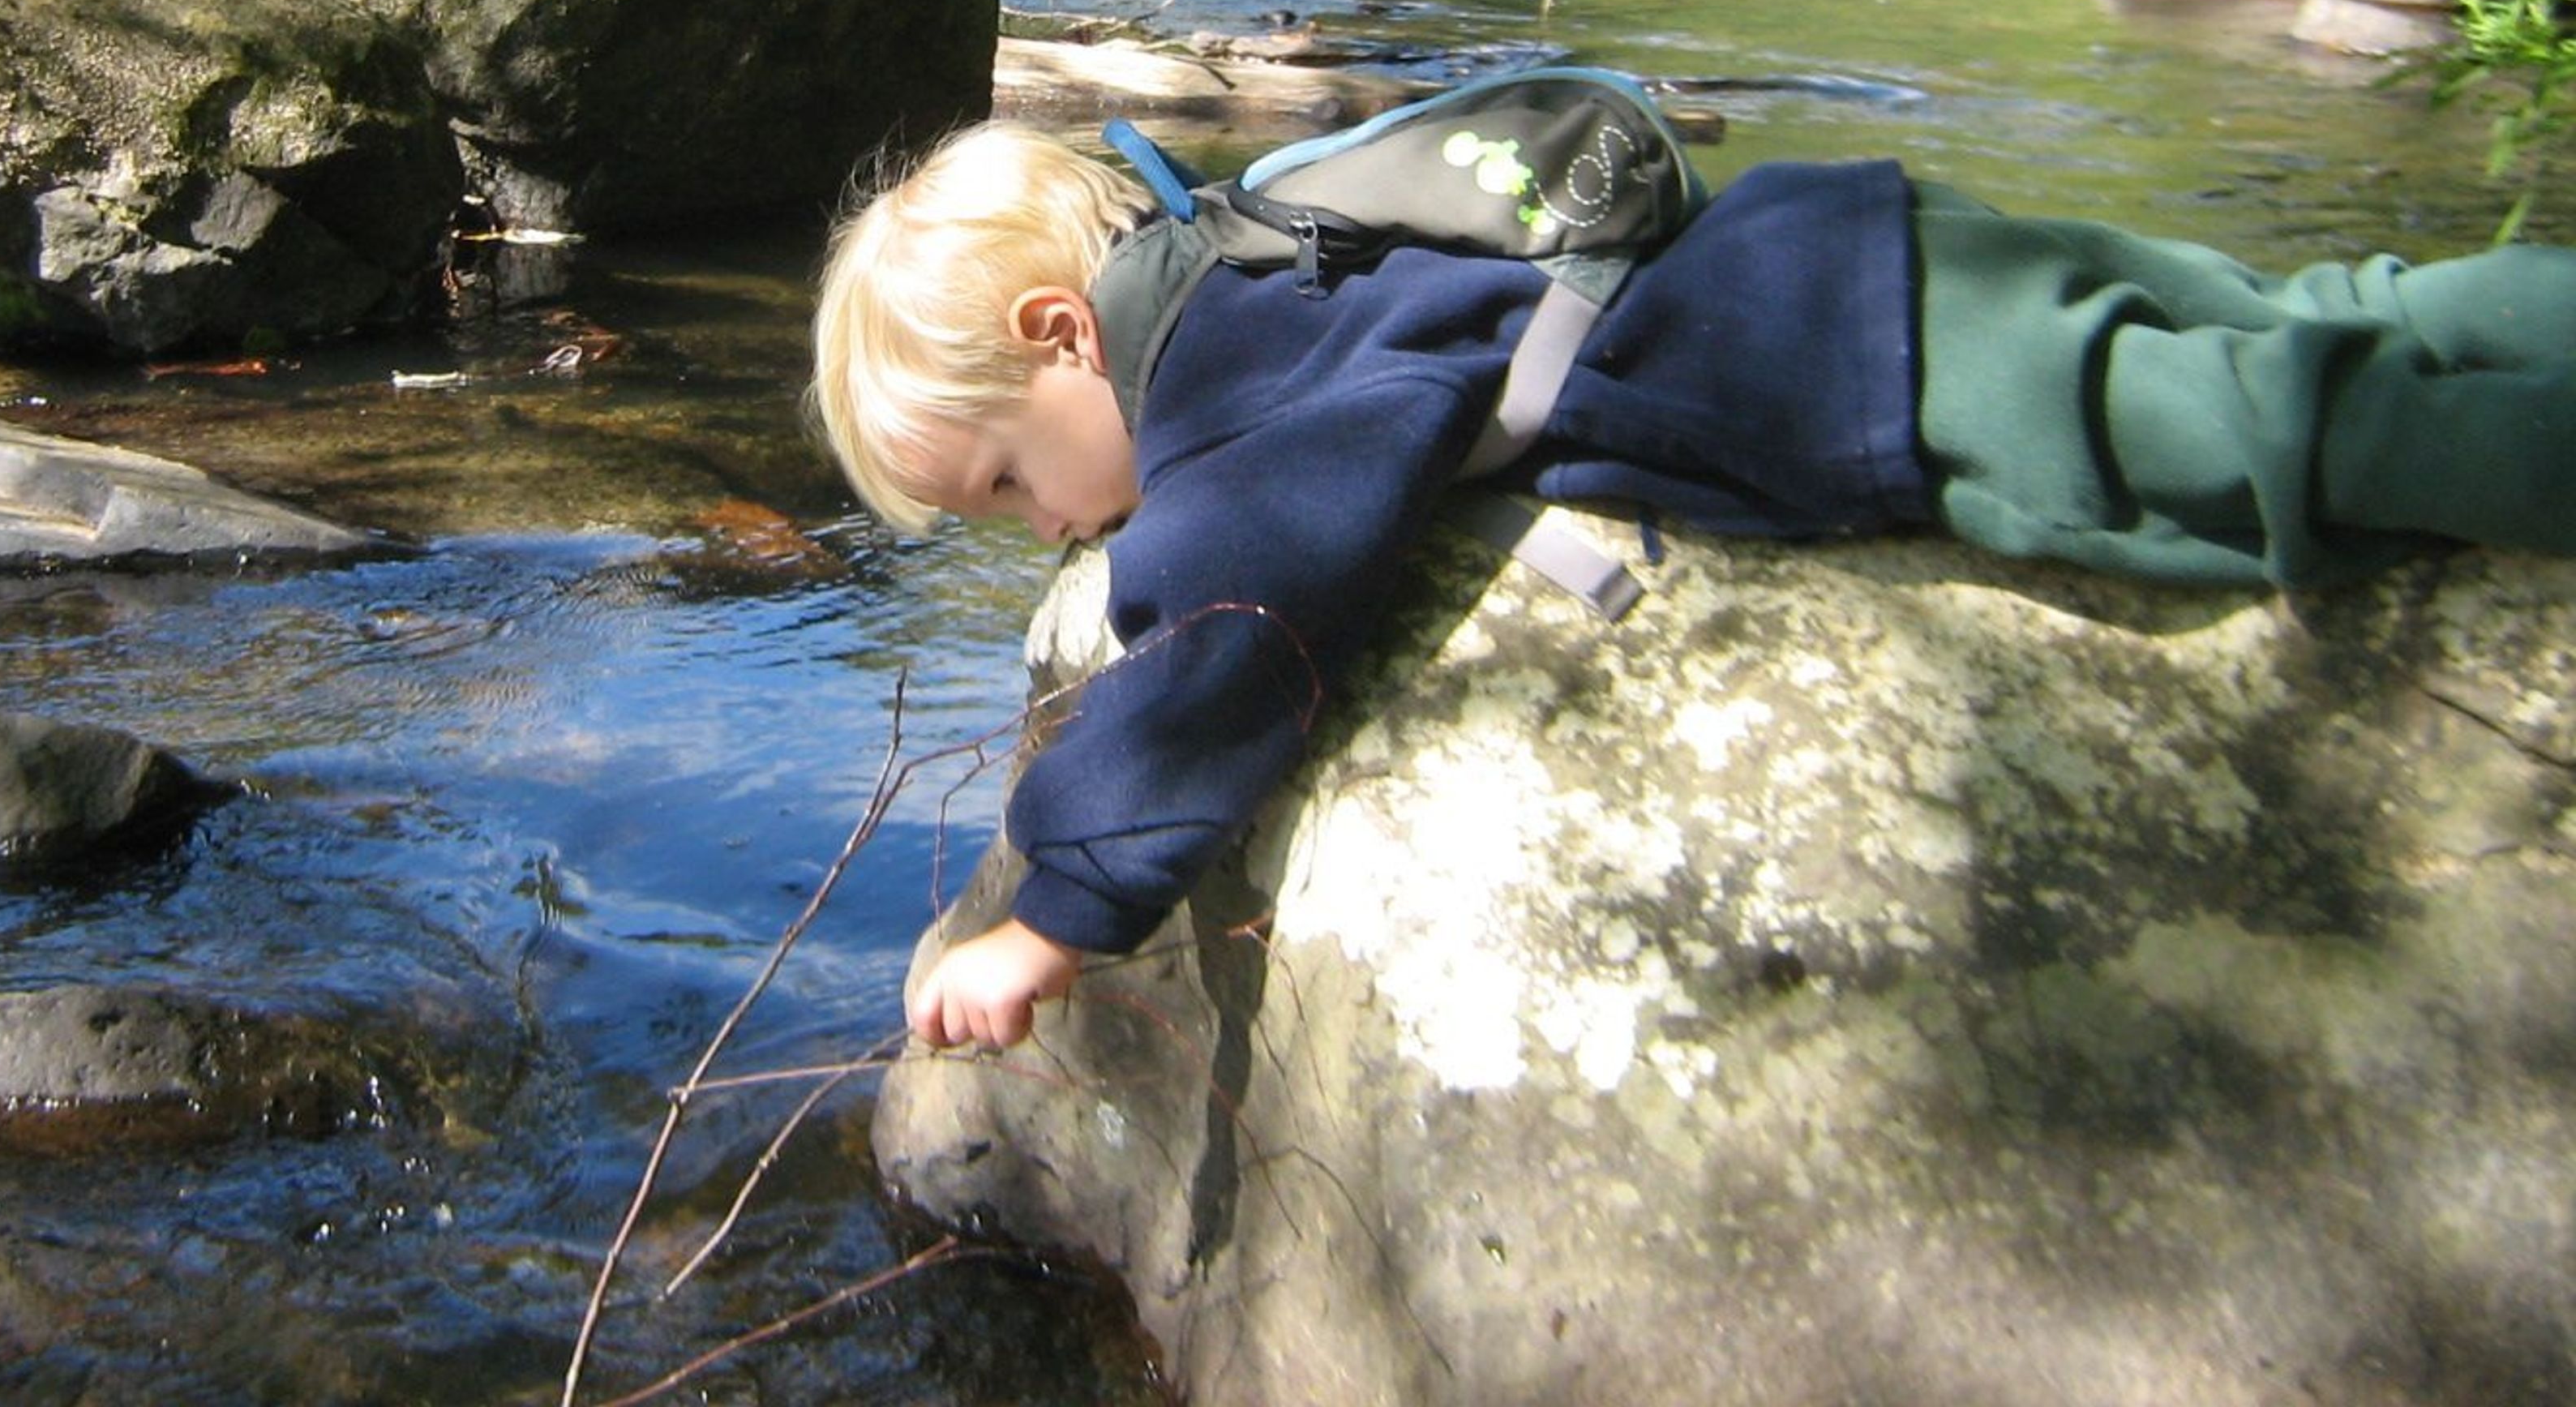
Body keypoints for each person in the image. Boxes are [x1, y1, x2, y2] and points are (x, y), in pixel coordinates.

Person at [808, 119, 2576, 1052]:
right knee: (2328, 317)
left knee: (2275, 446)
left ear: (1064, 337)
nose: (1047, 533)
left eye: (1011, 484)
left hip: (1881, 364)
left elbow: (1238, 616)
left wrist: (1052, 907)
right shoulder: (1269, 239)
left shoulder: (1228, 376)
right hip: (1863, 242)